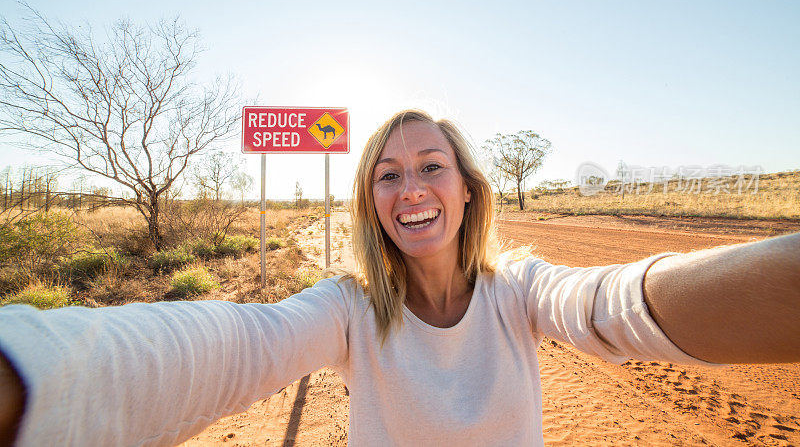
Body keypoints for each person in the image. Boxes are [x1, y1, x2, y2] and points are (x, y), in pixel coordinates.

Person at [0, 109, 798, 446]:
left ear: (468, 188)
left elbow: (613, 305)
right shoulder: (349, 308)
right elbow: (245, 342)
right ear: (370, 200)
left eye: (430, 166)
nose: (410, 187)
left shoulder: (519, 289)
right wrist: (30, 369)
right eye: (387, 174)